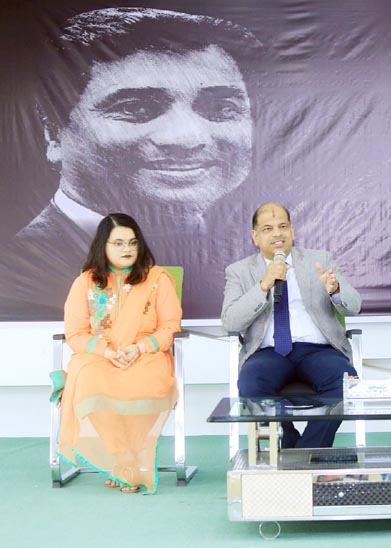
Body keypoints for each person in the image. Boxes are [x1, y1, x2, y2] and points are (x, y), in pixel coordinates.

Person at [0, 7, 261, 321]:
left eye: (221, 108)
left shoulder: (250, 263)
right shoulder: (17, 269)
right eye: (136, 108)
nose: (187, 138)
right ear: (54, 133)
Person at [57, 213, 181, 494]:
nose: (127, 249)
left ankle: (131, 456)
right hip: (100, 356)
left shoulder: (157, 279)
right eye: (119, 243)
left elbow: (170, 326)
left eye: (133, 243)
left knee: (146, 380)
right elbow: (75, 333)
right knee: (87, 378)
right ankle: (123, 456)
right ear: (103, 246)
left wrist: (139, 347)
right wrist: (107, 351)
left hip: (146, 353)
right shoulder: (85, 283)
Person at [221, 202, 361, 448]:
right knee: (251, 385)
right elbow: (230, 321)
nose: (277, 233)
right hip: (268, 352)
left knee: (346, 383)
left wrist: (336, 289)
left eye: (283, 226)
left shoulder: (320, 259)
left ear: (292, 232)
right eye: (267, 228)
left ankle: (308, 452)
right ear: (255, 237)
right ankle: (287, 441)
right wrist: (263, 285)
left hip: (318, 350)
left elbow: (354, 306)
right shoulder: (239, 271)